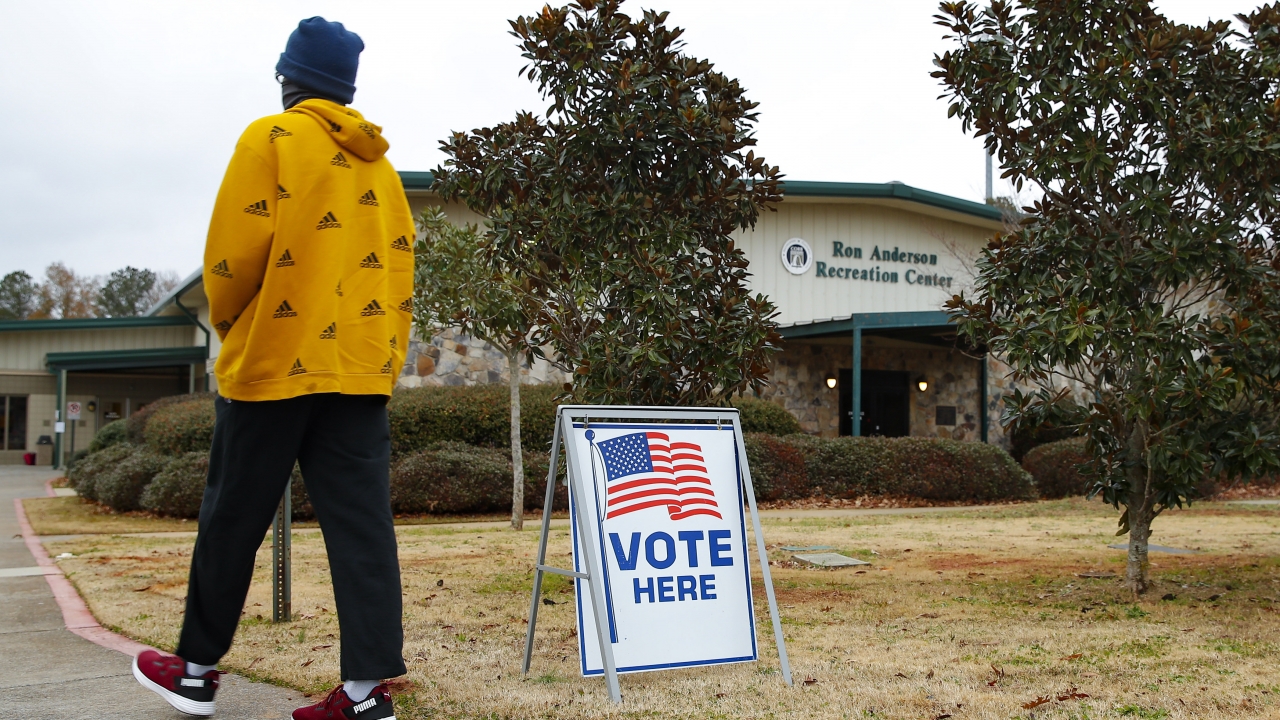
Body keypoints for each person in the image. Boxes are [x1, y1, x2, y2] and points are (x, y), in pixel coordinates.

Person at [131, 17, 413, 720]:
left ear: (289, 77)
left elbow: (230, 261)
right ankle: (364, 697)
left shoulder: (270, 139)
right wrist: (383, 361)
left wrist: (236, 329)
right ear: (345, 87)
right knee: (363, 529)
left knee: (234, 515)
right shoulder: (380, 167)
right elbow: (402, 276)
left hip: (275, 363)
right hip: (357, 372)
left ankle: (194, 674)